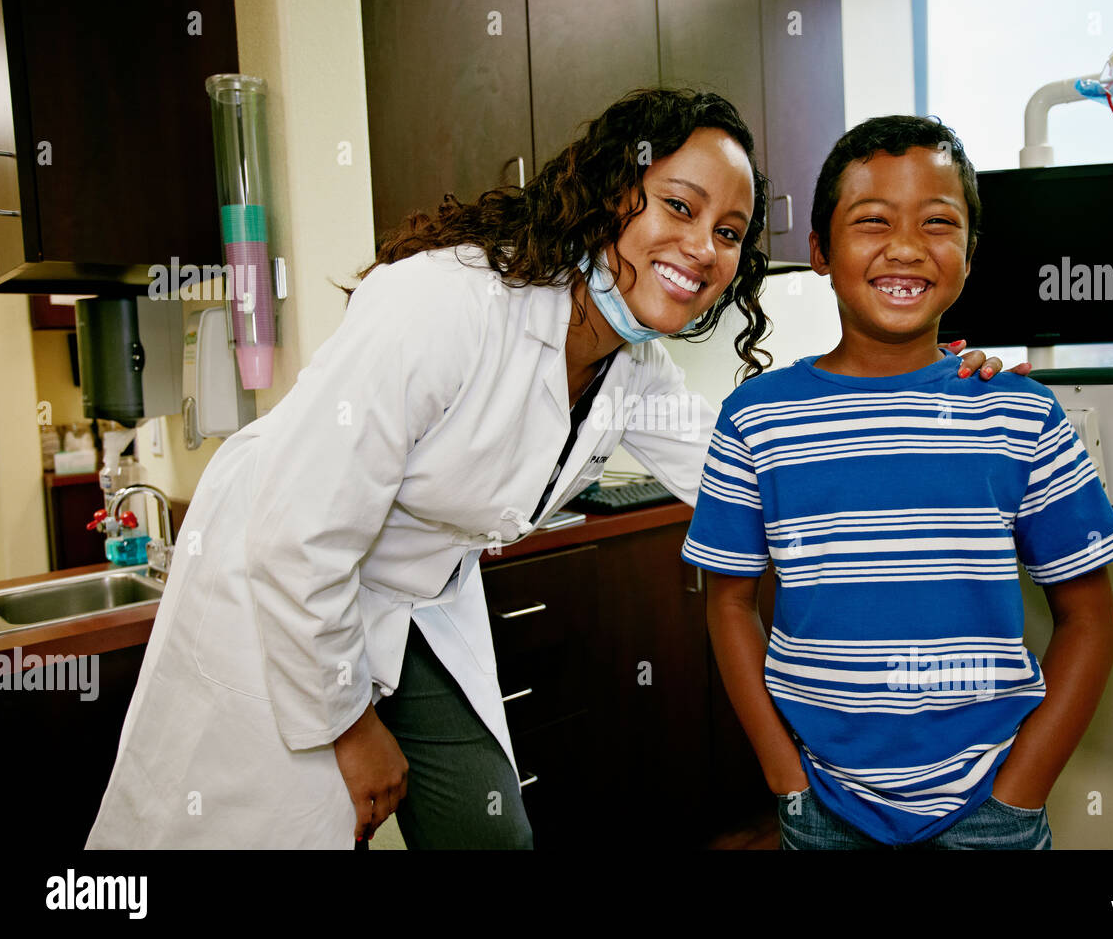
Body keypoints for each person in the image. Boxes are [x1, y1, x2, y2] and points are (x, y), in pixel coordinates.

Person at [86, 90, 1021, 850]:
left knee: (486, 832)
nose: (703, 247)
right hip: (280, 579)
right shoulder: (445, 303)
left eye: (731, 232)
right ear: (615, 189)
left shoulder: (630, 368)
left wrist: (931, 399)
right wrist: (347, 725)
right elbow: (301, 532)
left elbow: (760, 476)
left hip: (414, 600)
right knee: (253, 832)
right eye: (679, 206)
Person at [682, 115, 1113, 850]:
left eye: (938, 223)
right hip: (822, 804)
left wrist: (1020, 793)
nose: (905, 248)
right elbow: (729, 606)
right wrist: (784, 778)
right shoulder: (756, 418)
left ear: (969, 253)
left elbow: (1089, 619)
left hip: (990, 805)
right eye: (872, 222)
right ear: (821, 251)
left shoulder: (1021, 413)